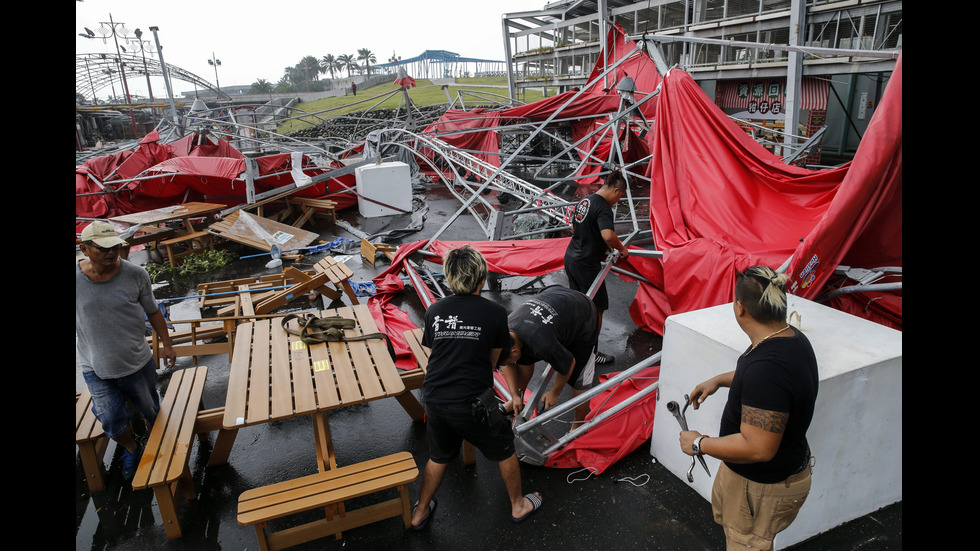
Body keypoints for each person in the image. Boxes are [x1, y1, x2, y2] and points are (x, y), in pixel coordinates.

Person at [679, 266, 818, 551]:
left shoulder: (768, 368)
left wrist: (698, 444)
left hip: (761, 490)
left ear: (739, 308)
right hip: (755, 481)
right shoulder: (786, 336)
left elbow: (758, 448)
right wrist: (719, 380)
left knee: (747, 543)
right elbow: (764, 382)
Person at [412, 245, 542, 530]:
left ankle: (420, 512)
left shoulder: (435, 309)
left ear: (448, 277)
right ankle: (518, 505)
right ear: (482, 278)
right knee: (504, 449)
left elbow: (436, 354)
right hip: (472, 400)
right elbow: (494, 361)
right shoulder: (495, 312)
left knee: (439, 455)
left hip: (433, 395)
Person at [76, 221, 177, 481]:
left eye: (116, 246)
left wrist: (166, 344)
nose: (112, 252)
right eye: (103, 248)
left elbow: (153, 311)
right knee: (111, 420)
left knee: (150, 411)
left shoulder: (135, 274)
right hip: (95, 367)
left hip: (136, 362)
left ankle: (156, 441)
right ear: (85, 249)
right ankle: (132, 448)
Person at [498, 285, 599, 428]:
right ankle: (517, 401)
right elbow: (507, 363)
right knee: (523, 360)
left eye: (509, 360)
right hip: (553, 295)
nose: (508, 364)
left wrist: (554, 392)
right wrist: (514, 395)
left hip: (583, 312)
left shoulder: (542, 344)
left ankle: (578, 425)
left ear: (514, 350)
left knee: (579, 377)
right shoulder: (504, 332)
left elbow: (569, 363)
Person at [563, 170, 630, 364]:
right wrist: (621, 248)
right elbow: (608, 235)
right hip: (586, 265)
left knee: (578, 306)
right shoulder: (603, 207)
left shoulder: (586, 200)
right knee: (596, 308)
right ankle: (591, 353)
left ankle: (574, 345)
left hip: (572, 258)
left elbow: (575, 228)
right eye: (620, 197)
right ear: (616, 191)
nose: (617, 201)